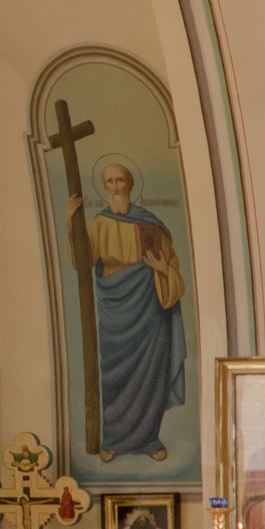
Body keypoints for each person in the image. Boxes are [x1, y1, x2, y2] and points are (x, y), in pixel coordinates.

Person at [68, 159, 188, 462]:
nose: (115, 186)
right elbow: (84, 262)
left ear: (130, 184)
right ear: (105, 187)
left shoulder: (150, 223)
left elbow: (172, 265)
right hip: (114, 308)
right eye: (109, 181)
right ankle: (113, 440)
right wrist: (71, 222)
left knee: (151, 373)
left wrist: (162, 269)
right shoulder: (100, 223)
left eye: (120, 180)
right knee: (114, 375)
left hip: (149, 306)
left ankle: (149, 439)